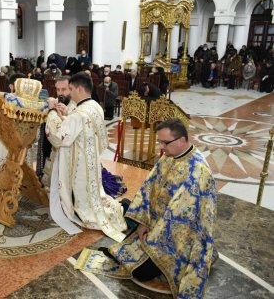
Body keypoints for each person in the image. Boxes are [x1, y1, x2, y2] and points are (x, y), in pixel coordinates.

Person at [94, 118, 216, 299]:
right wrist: (143, 222)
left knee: (140, 272)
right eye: (160, 141)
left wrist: (151, 235)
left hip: (181, 237)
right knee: (128, 218)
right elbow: (148, 188)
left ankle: (210, 255)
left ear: (182, 140)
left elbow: (180, 220)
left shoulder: (197, 172)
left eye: (165, 142)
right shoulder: (168, 156)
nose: (161, 147)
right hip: (155, 223)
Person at [46, 72, 128, 242]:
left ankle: (84, 212)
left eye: (71, 89)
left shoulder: (79, 115)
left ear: (80, 89)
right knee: (94, 191)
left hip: (80, 162)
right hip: (92, 158)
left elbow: (58, 137)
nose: (69, 92)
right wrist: (66, 113)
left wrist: (52, 114)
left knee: (84, 197)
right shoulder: (94, 106)